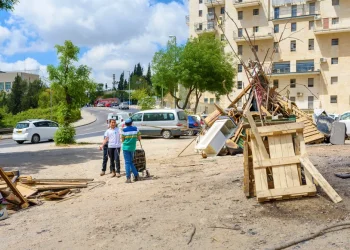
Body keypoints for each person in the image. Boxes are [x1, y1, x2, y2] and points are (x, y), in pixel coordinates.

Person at [121, 118, 141, 183]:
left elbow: (122, 140)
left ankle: (128, 178)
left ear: (126, 124)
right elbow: (139, 138)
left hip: (125, 148)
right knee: (131, 162)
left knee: (127, 163)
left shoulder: (124, 130)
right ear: (131, 123)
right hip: (132, 147)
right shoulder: (136, 129)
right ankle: (136, 175)